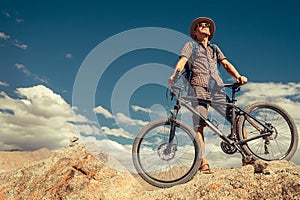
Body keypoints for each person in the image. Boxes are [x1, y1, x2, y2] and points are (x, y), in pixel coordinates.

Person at [168, 17, 248, 173]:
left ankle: (247, 155)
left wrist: (238, 76)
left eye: (207, 26)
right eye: (201, 25)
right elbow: (183, 61)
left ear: (209, 32)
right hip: (198, 88)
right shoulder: (190, 46)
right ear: (195, 32)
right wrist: (174, 75)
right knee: (199, 125)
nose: (205, 27)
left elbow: (225, 64)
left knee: (237, 119)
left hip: (217, 88)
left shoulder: (215, 49)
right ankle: (202, 162)